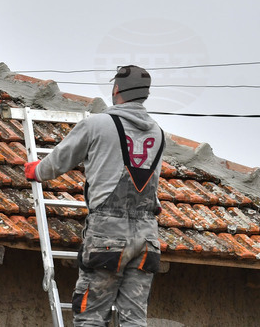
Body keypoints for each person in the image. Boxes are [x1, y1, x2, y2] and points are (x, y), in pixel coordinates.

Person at [24, 65, 165, 326]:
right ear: (145, 94)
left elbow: (61, 159)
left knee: (91, 316)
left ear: (116, 90)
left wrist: (37, 171)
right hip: (147, 236)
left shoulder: (98, 124)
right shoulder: (158, 132)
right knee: (134, 318)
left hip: (108, 234)